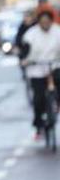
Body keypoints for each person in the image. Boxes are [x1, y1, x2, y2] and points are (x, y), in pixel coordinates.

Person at [21, 8, 60, 138]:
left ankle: (56, 107)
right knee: (38, 99)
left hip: (54, 66)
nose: (45, 24)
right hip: (36, 68)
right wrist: (25, 60)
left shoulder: (57, 32)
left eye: (48, 21)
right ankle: (39, 124)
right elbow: (25, 51)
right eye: (43, 22)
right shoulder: (31, 34)